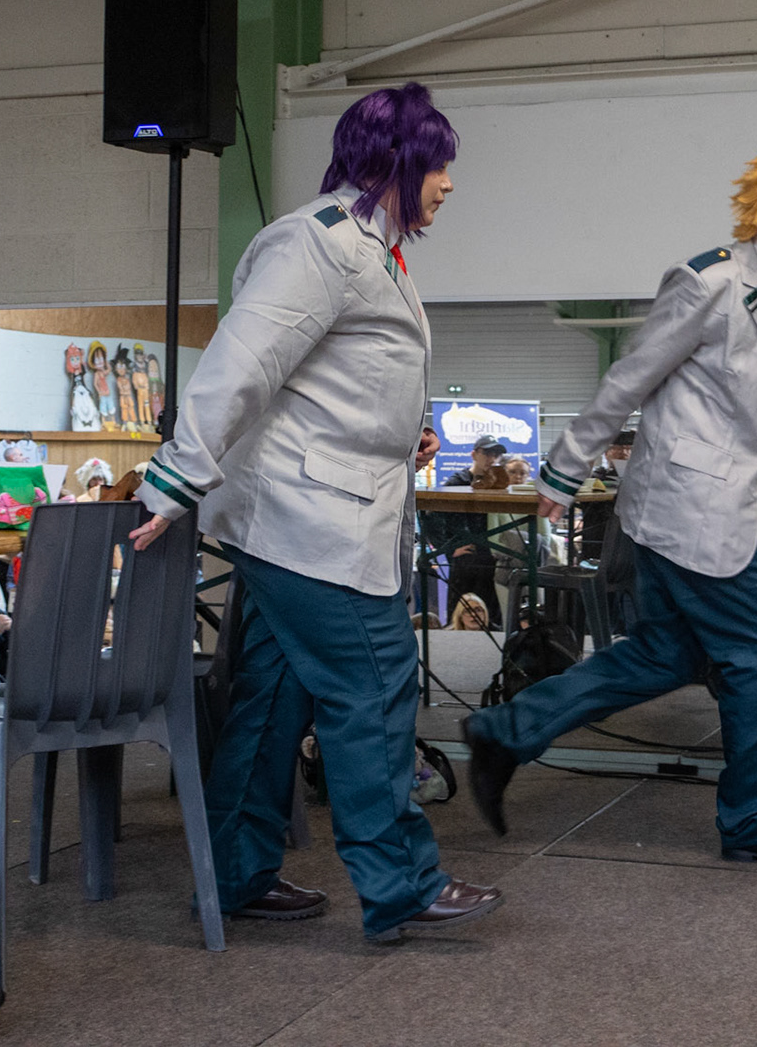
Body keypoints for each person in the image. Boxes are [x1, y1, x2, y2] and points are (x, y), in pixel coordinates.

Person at [126, 82, 498, 945]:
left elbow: (331, 381)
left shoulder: (371, 251)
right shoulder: (319, 243)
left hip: (313, 512)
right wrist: (172, 483)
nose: (448, 182)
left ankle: (235, 874)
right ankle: (401, 883)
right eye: (437, 164)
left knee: (272, 698)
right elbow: (241, 363)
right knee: (374, 685)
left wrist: (402, 433)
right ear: (395, 160)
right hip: (308, 520)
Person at [465, 121, 757, 869]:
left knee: (664, 654)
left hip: (739, 512)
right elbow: (630, 378)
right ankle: (753, 821)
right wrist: (563, 471)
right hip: (685, 510)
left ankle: (505, 732)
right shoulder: (709, 282)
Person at [427, 436, 510, 629]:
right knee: (460, 614)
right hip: (467, 560)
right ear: (474, 454)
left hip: (491, 559)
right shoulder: (458, 482)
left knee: (492, 617)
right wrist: (449, 548)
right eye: (487, 453)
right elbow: (431, 516)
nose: (492, 458)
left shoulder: (497, 484)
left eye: (496, 454)